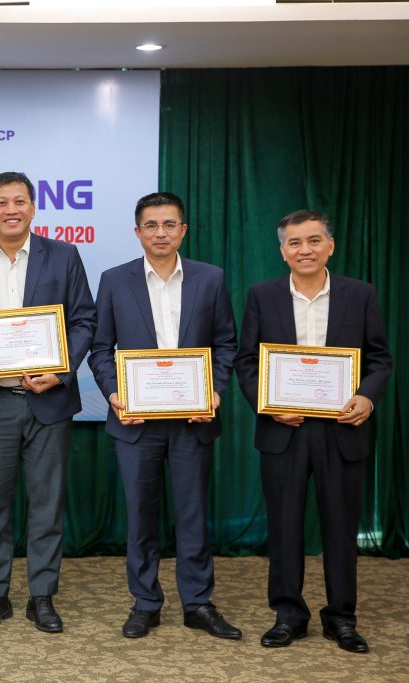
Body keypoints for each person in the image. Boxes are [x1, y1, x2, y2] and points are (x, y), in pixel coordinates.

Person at [236, 210, 391, 653]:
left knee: (341, 528)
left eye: (313, 240)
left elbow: (379, 359)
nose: (305, 250)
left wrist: (367, 397)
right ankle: (289, 615)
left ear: (330, 245)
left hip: (342, 430)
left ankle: (341, 617)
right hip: (283, 430)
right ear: (282, 250)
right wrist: (268, 404)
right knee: (284, 526)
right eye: (295, 243)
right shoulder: (261, 295)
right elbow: (247, 362)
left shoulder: (360, 294)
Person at [0, 171, 96, 633]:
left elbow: (84, 320)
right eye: (1, 202)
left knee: (47, 504)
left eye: (19, 201)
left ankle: (42, 596)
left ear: (33, 207)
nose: (11, 210)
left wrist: (62, 370)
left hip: (49, 401)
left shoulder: (64, 256)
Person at [87, 192, 241, 640]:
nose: (161, 233)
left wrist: (214, 391)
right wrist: (114, 393)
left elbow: (226, 344)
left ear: (183, 230)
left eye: (169, 224)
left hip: (194, 421)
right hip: (135, 423)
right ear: (137, 232)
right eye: (151, 225)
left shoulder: (210, 278)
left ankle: (198, 603)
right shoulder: (114, 280)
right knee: (140, 517)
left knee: (193, 515)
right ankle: (145, 602)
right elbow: (100, 349)